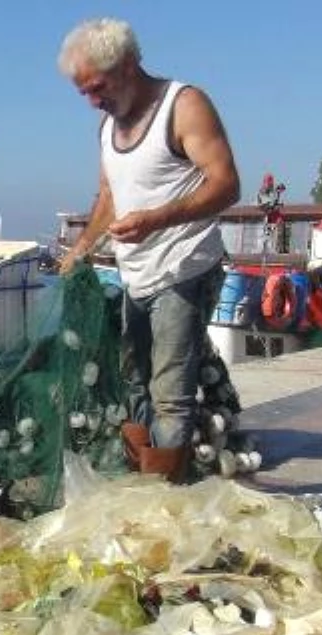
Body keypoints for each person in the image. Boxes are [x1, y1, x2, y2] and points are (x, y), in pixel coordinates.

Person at [56, 18, 240, 482]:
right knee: (134, 380)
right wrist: (81, 247)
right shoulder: (107, 127)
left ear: (129, 64)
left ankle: (165, 501)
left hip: (184, 268)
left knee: (170, 393)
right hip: (135, 273)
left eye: (97, 87)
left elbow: (226, 184)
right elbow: (110, 195)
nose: (92, 101)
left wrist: (156, 219)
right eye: (83, 93)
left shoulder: (184, 105)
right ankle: (145, 478)